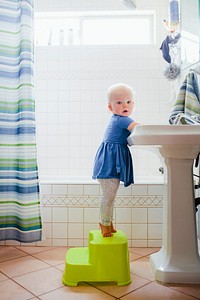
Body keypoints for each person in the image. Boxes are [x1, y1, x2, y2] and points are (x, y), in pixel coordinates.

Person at [92, 83, 139, 237]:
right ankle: (104, 223)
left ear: (133, 103)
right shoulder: (122, 119)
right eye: (119, 102)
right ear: (110, 107)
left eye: (128, 101)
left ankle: (108, 222)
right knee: (109, 195)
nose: (125, 105)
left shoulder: (118, 118)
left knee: (110, 195)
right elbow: (139, 128)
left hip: (108, 161)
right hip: (109, 163)